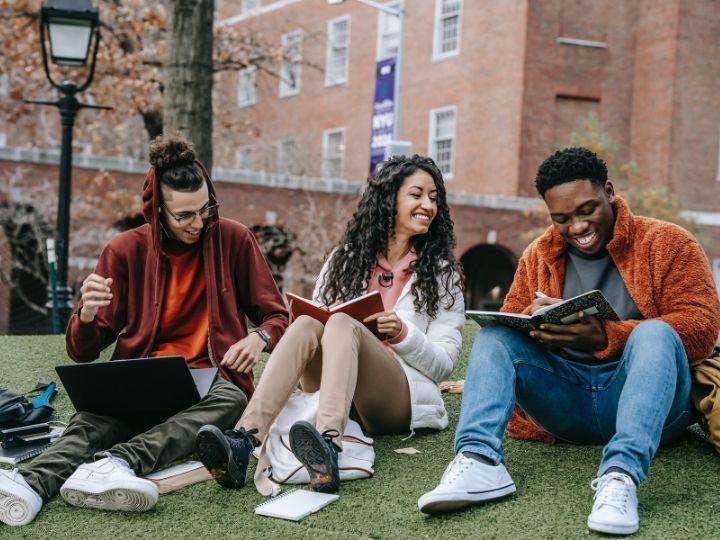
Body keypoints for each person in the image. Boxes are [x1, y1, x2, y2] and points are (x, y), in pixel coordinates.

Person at [418, 147, 720, 535]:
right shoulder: (539, 254)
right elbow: (513, 322)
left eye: (586, 210)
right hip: (566, 404)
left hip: (651, 408)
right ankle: (478, 461)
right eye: (561, 218)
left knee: (656, 332)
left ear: (609, 191)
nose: (576, 227)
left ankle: (620, 476)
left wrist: (608, 336)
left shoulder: (669, 243)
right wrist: (536, 326)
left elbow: (702, 327)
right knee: (495, 335)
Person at [0, 134, 289, 526]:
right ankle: (30, 485)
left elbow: (277, 316)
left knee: (234, 400)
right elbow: (82, 352)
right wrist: (86, 316)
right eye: (184, 215)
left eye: (206, 209)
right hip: (142, 373)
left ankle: (117, 463)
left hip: (209, 377)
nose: (199, 223)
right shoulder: (123, 250)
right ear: (157, 211)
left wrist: (260, 337)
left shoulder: (234, 239)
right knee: (91, 419)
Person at [195, 154, 465, 494]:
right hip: (332, 387)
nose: (428, 204)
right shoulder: (345, 259)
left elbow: (443, 365)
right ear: (389, 199)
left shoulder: (441, 273)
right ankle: (243, 440)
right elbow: (316, 328)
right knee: (309, 322)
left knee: (342, 325)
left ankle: (328, 445)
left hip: (395, 399)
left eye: (434, 197)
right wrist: (327, 313)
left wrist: (402, 333)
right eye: (416, 194)